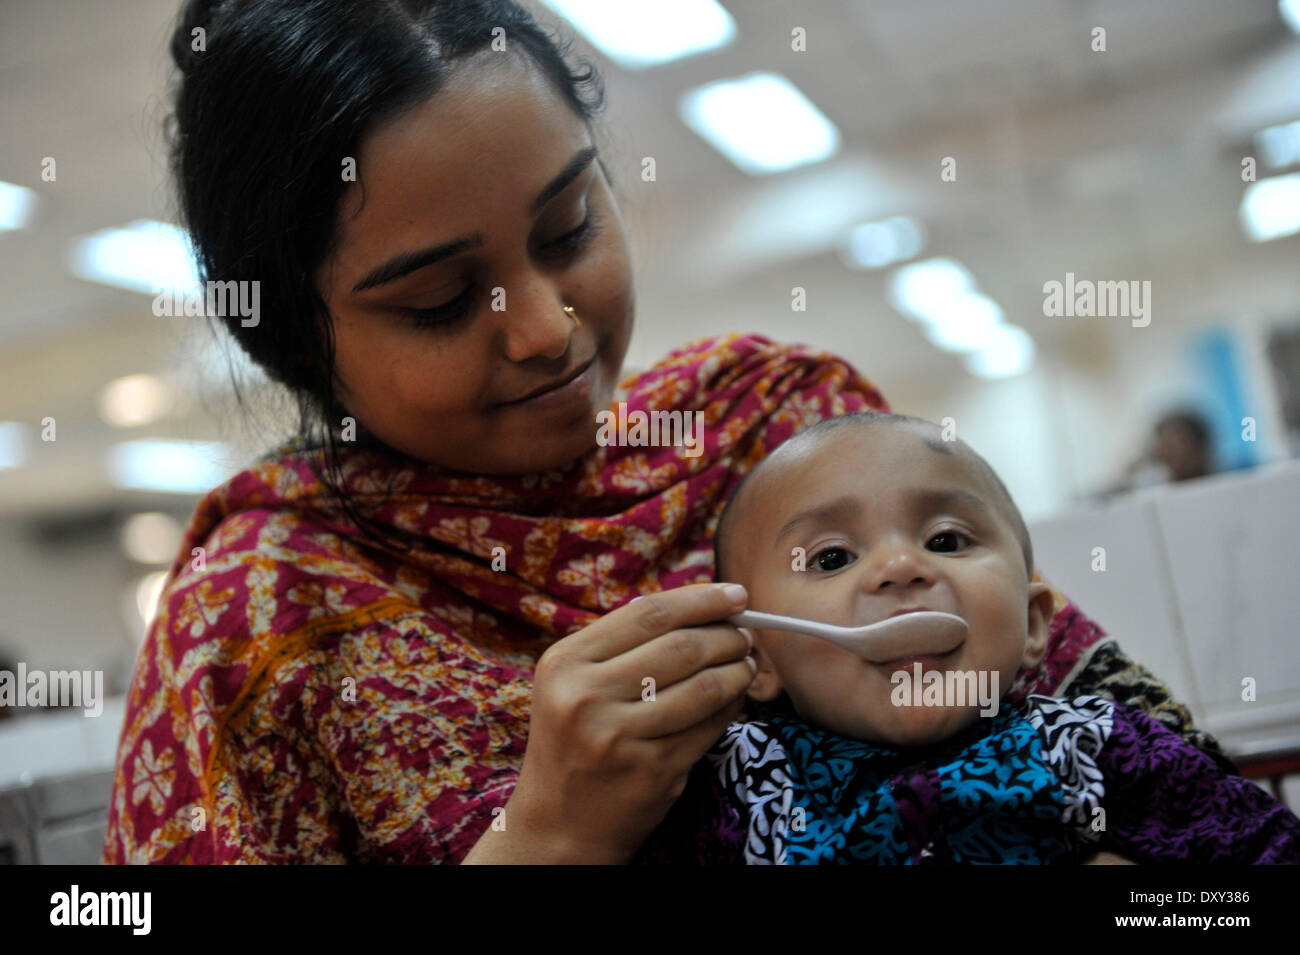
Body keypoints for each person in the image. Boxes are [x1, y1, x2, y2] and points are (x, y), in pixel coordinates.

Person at [104, 0, 1230, 864]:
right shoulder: (255, 629)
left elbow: (1148, 774)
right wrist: (544, 838)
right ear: (295, 342)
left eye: (569, 225)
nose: (546, 330)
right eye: (442, 301)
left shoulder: (788, 437)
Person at [633, 413, 1298, 864]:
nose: (900, 567)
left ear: (1034, 623)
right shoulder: (728, 781)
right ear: (758, 658)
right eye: (832, 558)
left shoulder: (1095, 744)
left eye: (946, 540)